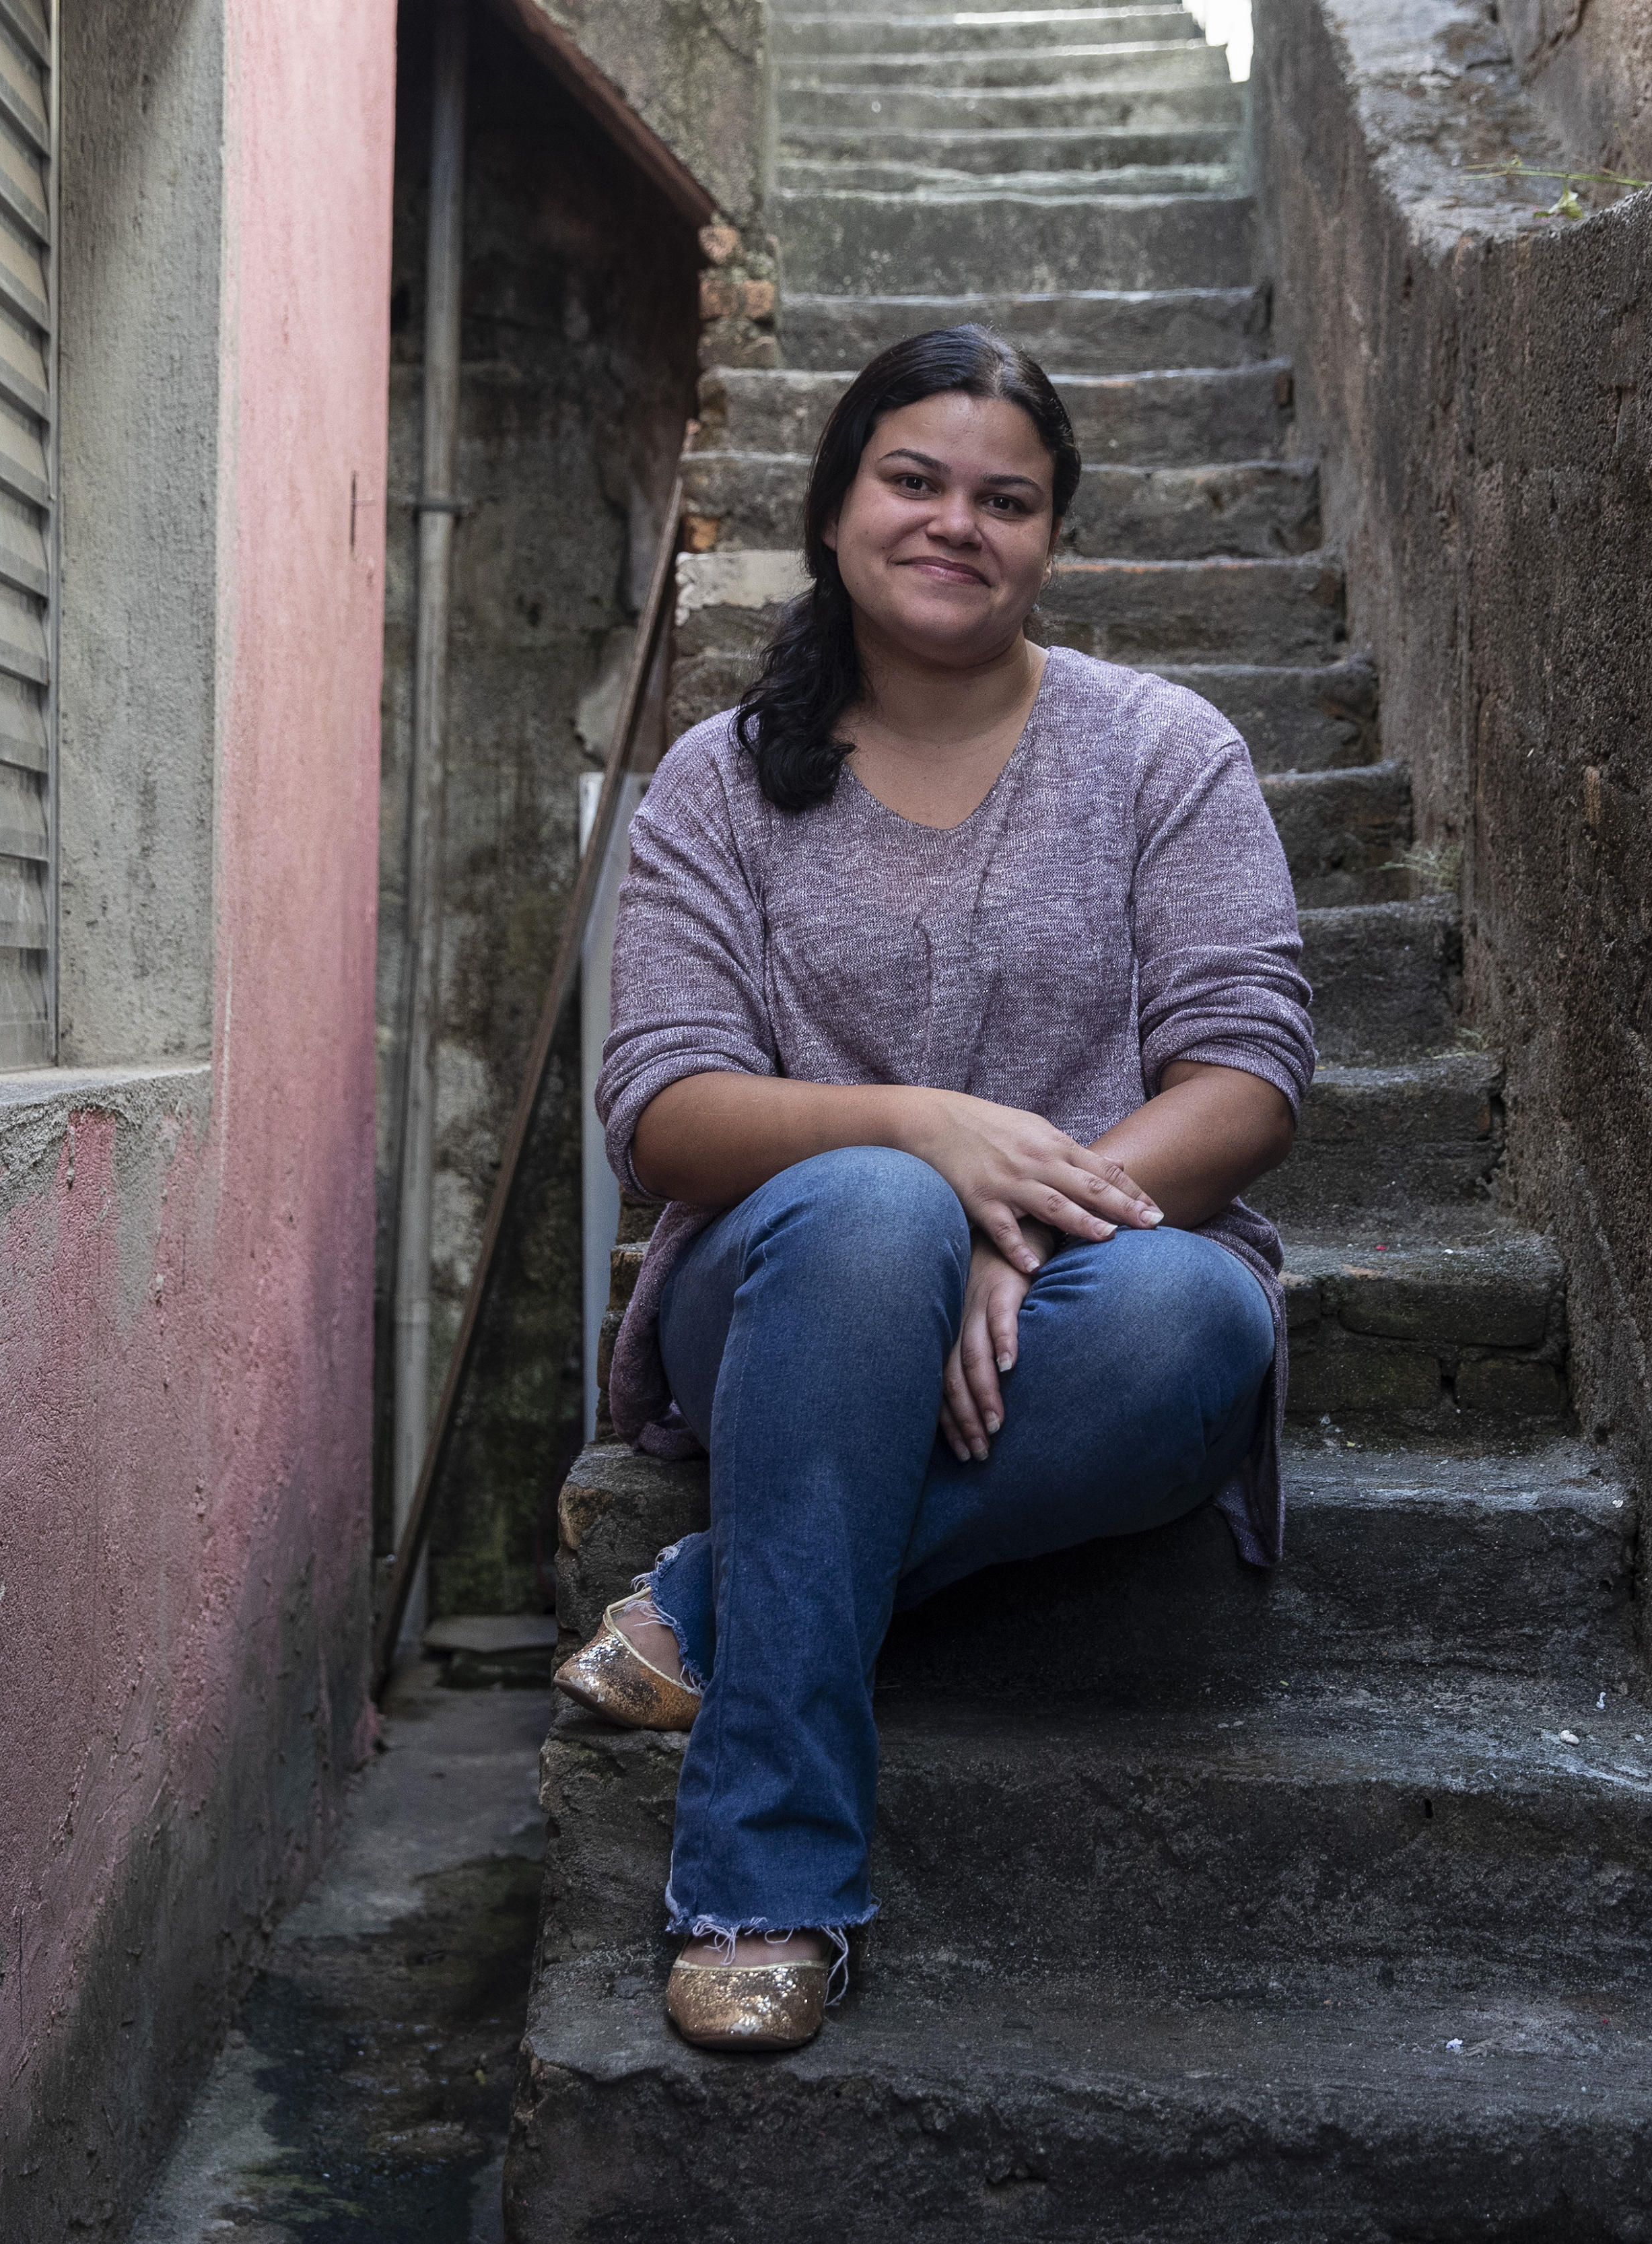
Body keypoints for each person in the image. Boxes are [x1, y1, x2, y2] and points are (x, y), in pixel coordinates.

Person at [554, 325, 1313, 2051]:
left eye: (1008, 498)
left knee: (1205, 1319)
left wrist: (1018, 1213)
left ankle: (710, 1599)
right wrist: (922, 1136)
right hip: (777, 1292)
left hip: (1091, 1282)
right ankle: (763, 1871)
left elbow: (1248, 1075)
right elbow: (663, 1110)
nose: (955, 522)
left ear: (1051, 539)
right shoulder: (720, 781)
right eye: (913, 478)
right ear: (835, 506)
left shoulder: (1161, 748)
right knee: (875, 1208)